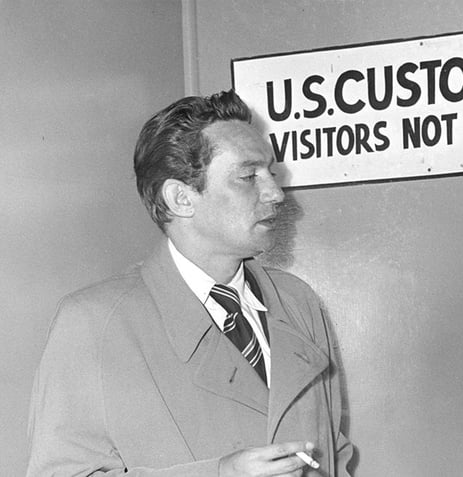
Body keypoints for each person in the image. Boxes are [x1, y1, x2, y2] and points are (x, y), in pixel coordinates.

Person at [26, 90, 353, 476]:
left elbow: (335, 455)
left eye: (272, 173)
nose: (276, 193)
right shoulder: (93, 323)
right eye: (248, 177)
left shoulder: (298, 301)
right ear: (181, 198)